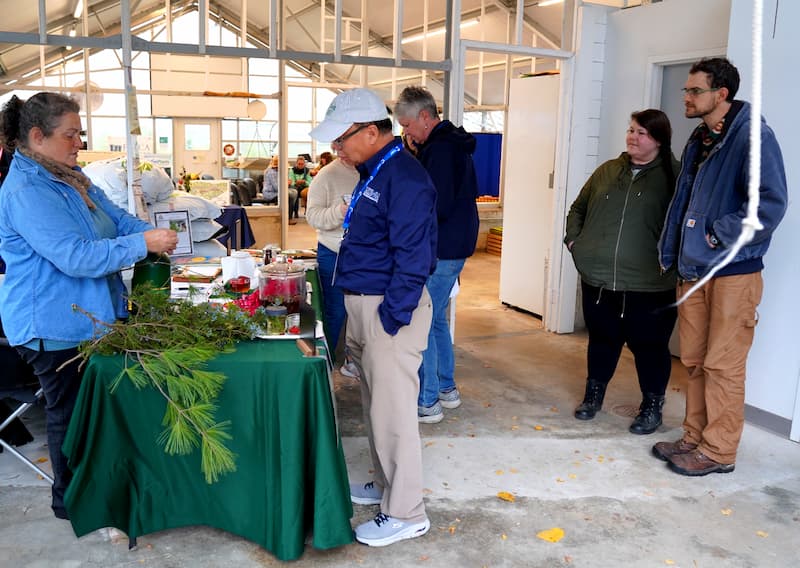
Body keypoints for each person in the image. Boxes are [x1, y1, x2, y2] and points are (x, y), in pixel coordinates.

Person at [0, 92, 178, 520]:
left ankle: (98, 488)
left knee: (93, 409)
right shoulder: (28, 188)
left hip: (91, 317)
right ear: (38, 137)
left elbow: (117, 218)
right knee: (72, 414)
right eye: (71, 134)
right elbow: (75, 256)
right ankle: (71, 502)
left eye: (80, 132)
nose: (79, 141)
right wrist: (141, 245)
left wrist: (150, 233)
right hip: (54, 324)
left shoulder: (71, 175)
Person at [309, 88, 436, 547]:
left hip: (388, 308)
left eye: (341, 139)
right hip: (364, 302)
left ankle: (406, 512)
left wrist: (391, 318)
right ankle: (387, 487)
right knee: (374, 406)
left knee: (394, 412)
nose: (336, 148)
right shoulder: (372, 171)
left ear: (369, 132)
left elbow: (414, 258)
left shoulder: (405, 179)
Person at [653, 57, 788, 476]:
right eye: (687, 90)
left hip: (733, 273)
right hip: (693, 271)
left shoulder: (753, 138)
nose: (686, 98)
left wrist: (716, 235)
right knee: (693, 361)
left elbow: (769, 204)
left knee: (723, 366)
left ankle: (719, 451)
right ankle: (694, 437)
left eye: (694, 91)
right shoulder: (700, 137)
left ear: (721, 94)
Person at [564, 109, 679, 435]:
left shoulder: (674, 176)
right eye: (631, 130)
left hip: (650, 285)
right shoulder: (607, 171)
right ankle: (593, 395)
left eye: (641, 132)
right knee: (602, 340)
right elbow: (578, 208)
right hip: (599, 281)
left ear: (658, 139)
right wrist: (575, 242)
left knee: (650, 348)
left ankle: (652, 406)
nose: (632, 137)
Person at [394, 86, 479, 423]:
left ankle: (428, 401)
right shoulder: (446, 143)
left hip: (443, 248)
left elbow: (435, 204)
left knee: (424, 322)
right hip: (454, 244)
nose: (406, 132)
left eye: (408, 125)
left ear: (425, 117)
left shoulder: (441, 150)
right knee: (438, 319)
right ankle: (446, 387)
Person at [305, 151, 361, 376]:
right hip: (333, 251)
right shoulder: (326, 176)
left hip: (367, 254)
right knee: (335, 310)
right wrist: (340, 212)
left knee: (361, 310)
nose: (343, 150)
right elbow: (313, 216)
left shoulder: (374, 170)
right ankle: (325, 363)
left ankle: (353, 358)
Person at [263, 155, 298, 221]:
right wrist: (286, 183)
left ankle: (289, 215)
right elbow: (277, 187)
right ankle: (287, 218)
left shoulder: (277, 171)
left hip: (277, 191)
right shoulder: (272, 173)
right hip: (270, 193)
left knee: (294, 191)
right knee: (289, 196)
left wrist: (287, 182)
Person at [288, 154, 312, 220]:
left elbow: (310, 182)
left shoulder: (307, 171)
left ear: (304, 164)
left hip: (304, 187)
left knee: (308, 192)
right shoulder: (292, 170)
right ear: (296, 163)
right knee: (294, 192)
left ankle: (308, 211)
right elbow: (291, 181)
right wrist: (296, 182)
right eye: (299, 164)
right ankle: (295, 212)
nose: (300, 165)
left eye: (302, 164)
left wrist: (304, 182)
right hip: (295, 186)